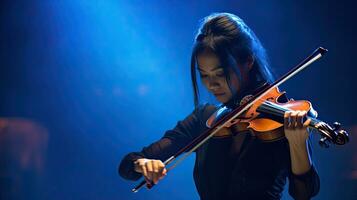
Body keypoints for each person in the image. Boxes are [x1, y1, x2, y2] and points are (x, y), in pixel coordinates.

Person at [118, 13, 319, 200]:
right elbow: (128, 165)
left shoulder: (281, 119)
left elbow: (303, 193)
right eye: (204, 75)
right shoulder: (205, 118)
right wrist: (142, 164)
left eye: (220, 73)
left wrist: (298, 144)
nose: (211, 84)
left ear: (248, 61)